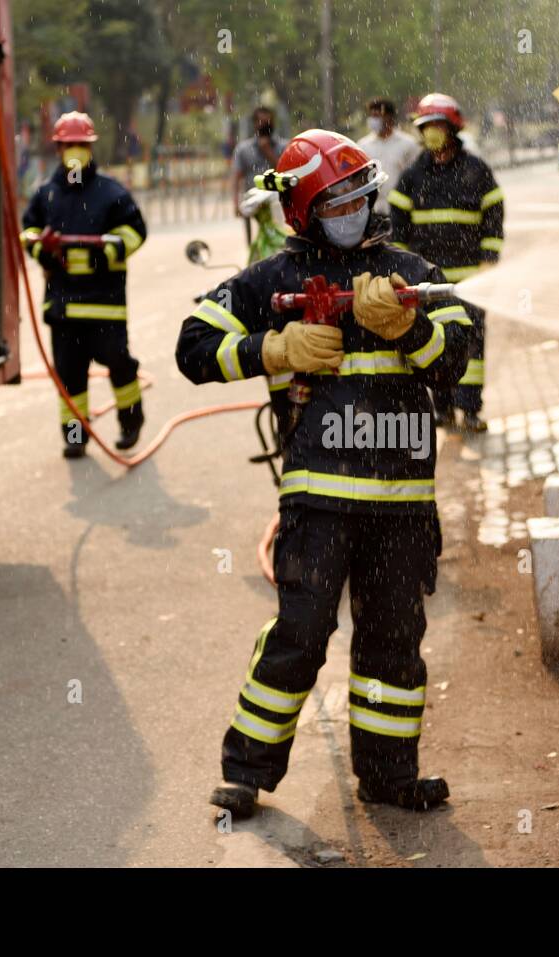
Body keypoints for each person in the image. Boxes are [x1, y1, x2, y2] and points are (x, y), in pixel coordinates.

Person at [176, 130, 476, 820]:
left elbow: (457, 357)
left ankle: (390, 776)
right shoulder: (273, 279)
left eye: (359, 195)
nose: (353, 209)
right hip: (319, 501)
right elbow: (193, 345)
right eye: (335, 200)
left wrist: (410, 329)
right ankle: (245, 772)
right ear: (305, 211)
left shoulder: (409, 269)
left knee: (393, 644)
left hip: (402, 504)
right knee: (303, 631)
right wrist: (270, 347)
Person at [20, 111, 148, 458]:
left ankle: (130, 422)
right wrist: (41, 249)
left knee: (119, 364)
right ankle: (75, 436)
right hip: (63, 308)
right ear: (58, 150)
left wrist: (103, 252)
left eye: (80, 145)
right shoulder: (46, 194)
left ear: (90, 148)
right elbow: (27, 231)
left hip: (105, 304)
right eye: (68, 145)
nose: (74, 151)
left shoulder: (111, 193)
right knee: (70, 378)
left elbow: (136, 232)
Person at [390, 93, 504, 432]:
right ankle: (442, 409)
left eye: (437, 126)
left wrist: (489, 260)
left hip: (470, 279)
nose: (431, 133)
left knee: (470, 346)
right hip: (428, 284)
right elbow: (398, 226)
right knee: (434, 344)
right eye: (426, 127)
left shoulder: (476, 171)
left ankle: (470, 409)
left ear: (453, 129)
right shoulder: (412, 176)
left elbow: (493, 217)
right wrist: (399, 269)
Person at [230, 106, 288, 247]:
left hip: (278, 201)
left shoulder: (284, 146)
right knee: (253, 242)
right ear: (255, 124)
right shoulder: (243, 149)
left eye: (267, 122)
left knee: (281, 238)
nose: (264, 125)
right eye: (261, 122)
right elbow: (236, 177)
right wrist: (236, 203)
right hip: (252, 200)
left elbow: (286, 171)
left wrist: (268, 151)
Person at [356, 97, 421, 216]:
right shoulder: (362, 146)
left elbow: (418, 175)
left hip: (401, 208)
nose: (373, 120)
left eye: (378, 116)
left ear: (390, 118)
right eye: (372, 116)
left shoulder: (408, 144)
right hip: (372, 210)